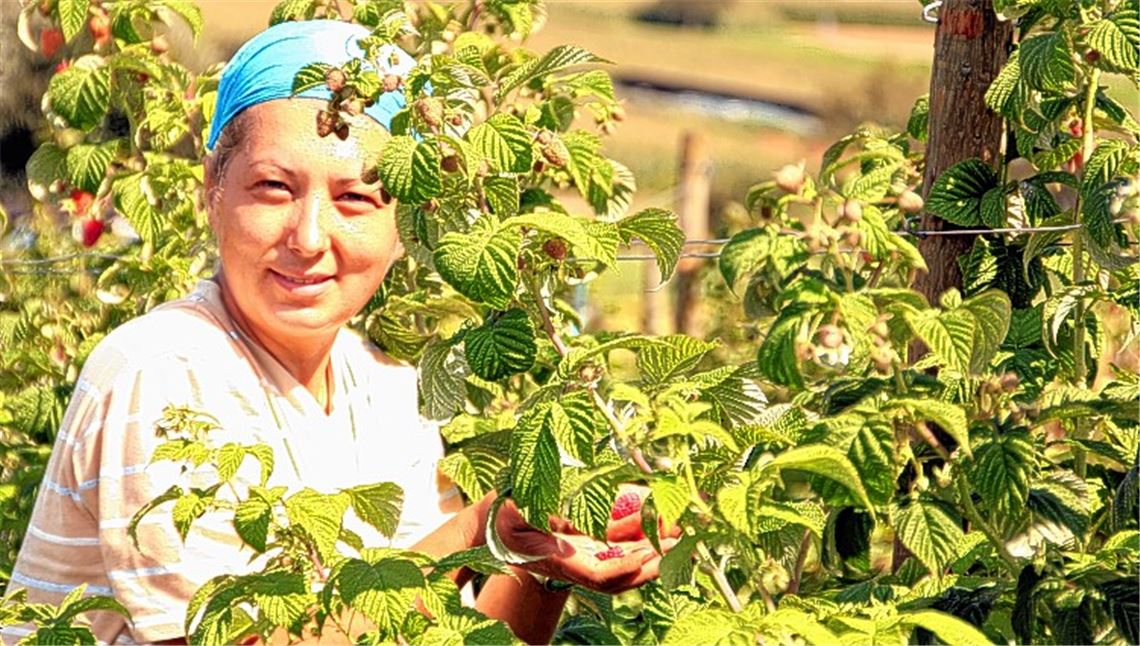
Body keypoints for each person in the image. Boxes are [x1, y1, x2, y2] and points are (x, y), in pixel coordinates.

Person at [2, 19, 672, 645]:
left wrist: (539, 554)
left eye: (356, 197)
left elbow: (433, 631)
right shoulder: (159, 373)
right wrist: (476, 531)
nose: (311, 238)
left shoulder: (384, 386)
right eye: (272, 187)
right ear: (213, 189)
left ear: (405, 222)